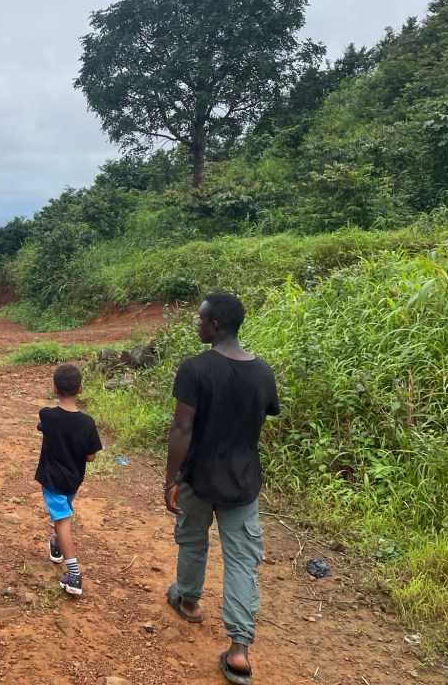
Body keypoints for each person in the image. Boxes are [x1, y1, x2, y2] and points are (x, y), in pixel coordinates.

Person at [163, 292, 279, 685]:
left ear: (214, 325)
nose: (197, 324)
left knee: (192, 539)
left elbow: (182, 429)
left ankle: (189, 601)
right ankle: (239, 651)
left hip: (198, 477)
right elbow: (257, 420)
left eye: (200, 319)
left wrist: (171, 480)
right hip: (242, 481)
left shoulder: (194, 369)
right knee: (242, 561)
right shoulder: (262, 372)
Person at [33, 363, 103, 596]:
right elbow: (91, 457)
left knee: (62, 520)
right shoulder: (87, 423)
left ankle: (73, 575)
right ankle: (56, 544)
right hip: (73, 479)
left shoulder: (47, 415)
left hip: (53, 480)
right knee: (63, 513)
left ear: (55, 389)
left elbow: (44, 424)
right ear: (80, 388)